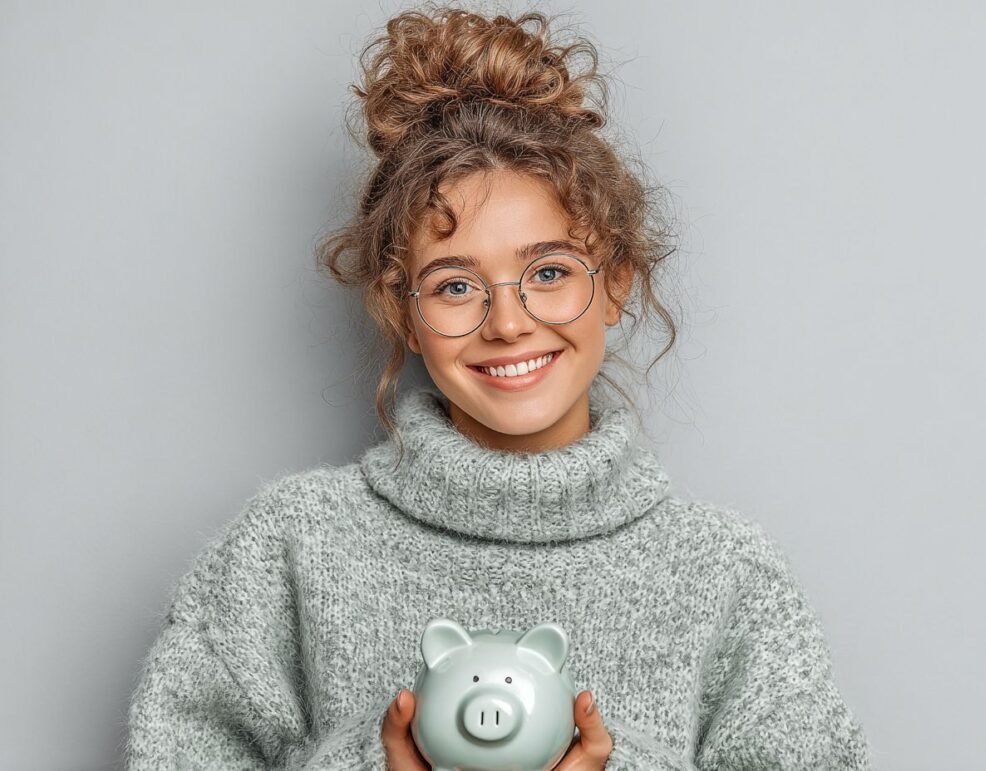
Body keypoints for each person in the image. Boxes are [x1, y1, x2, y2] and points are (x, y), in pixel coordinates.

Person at [125, 6, 872, 770]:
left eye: (549, 272)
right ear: (405, 315)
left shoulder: (724, 575)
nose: (508, 323)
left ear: (615, 283)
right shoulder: (288, 550)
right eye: (455, 286)